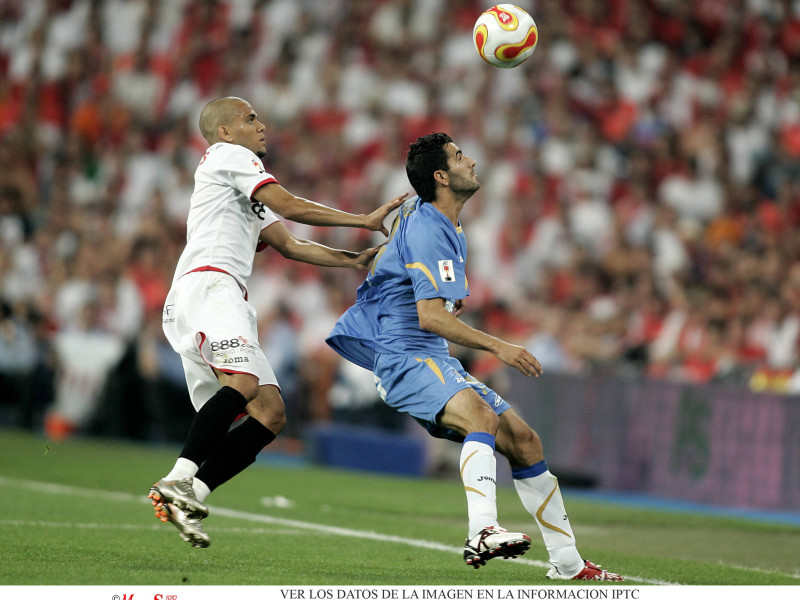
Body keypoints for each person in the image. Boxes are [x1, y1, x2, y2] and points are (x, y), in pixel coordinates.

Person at [327, 133, 623, 581]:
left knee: (524, 442)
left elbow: (396, 255)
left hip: (429, 355)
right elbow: (429, 318)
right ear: (442, 176)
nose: (473, 160)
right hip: (404, 354)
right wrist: (500, 346)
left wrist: (404, 281)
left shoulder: (426, 214)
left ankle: (567, 563)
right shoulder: (431, 228)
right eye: (461, 156)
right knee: (480, 416)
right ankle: (482, 530)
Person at [148, 96, 406, 548]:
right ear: (226, 131)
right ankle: (177, 478)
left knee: (269, 413)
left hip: (217, 293)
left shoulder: (238, 182)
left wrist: (351, 260)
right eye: (250, 118)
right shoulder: (231, 156)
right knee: (244, 383)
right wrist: (363, 221)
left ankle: (190, 496)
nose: (261, 125)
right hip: (209, 286)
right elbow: (289, 204)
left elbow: (288, 243)